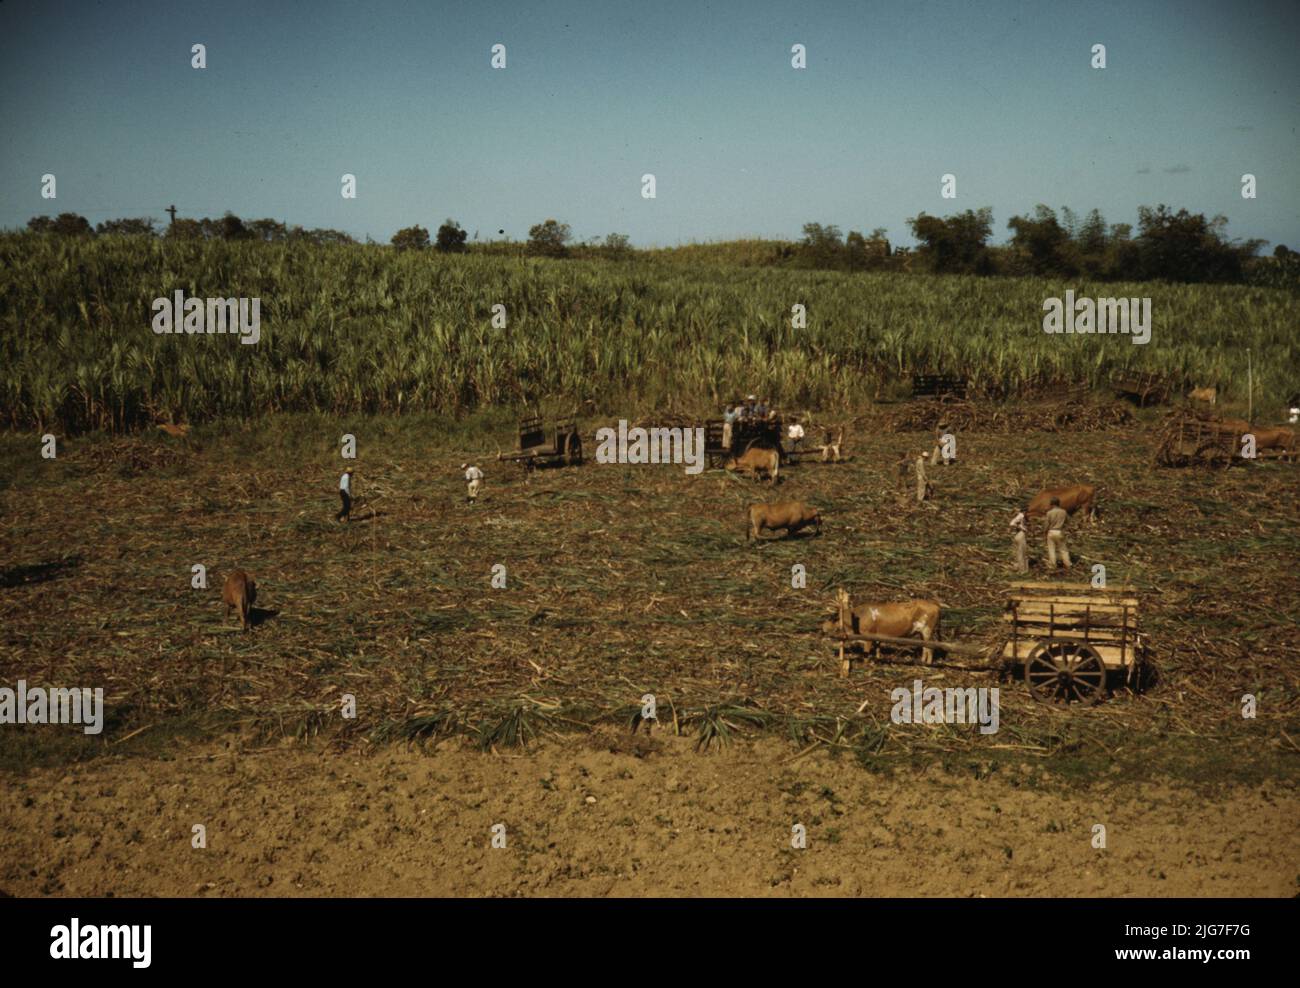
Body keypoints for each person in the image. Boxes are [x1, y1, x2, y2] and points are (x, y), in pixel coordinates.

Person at [1044, 496, 1071, 570]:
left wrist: (1044, 532)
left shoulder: (1049, 513)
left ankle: (1052, 565)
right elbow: (1067, 522)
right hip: (1059, 531)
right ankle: (1067, 564)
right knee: (1063, 549)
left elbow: (1046, 524)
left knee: (1051, 549)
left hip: (1051, 531)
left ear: (1052, 504)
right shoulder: (1063, 511)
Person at [1010, 505, 1029, 572]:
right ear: (1024, 511)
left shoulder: (1020, 516)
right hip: (1021, 534)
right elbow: (1012, 523)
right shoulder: (1021, 516)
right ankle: (1022, 570)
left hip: (1017, 535)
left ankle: (1018, 568)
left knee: (1018, 552)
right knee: (1022, 552)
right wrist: (1020, 527)